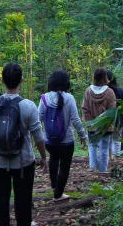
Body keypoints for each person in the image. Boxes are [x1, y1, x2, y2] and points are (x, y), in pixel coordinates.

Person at [0, 63, 47, 226]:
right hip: (23, 163)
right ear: (22, 80)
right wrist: (44, 158)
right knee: (23, 200)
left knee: (0, 201)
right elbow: (38, 136)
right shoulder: (28, 106)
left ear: (2, 80)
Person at [38, 70, 88, 201]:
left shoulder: (44, 98)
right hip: (67, 140)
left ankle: (55, 187)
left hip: (49, 140)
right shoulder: (69, 98)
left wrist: (39, 136)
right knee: (65, 167)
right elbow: (76, 120)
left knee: (53, 160)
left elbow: (39, 119)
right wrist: (83, 136)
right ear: (66, 83)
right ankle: (58, 194)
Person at [81, 67, 116, 173]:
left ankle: (93, 169)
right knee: (104, 150)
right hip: (106, 128)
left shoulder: (88, 91)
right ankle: (102, 171)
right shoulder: (110, 92)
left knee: (92, 147)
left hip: (92, 127)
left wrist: (90, 124)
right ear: (105, 78)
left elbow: (85, 109)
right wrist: (105, 124)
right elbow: (112, 111)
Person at [105, 71, 123, 156]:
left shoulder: (104, 91)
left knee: (109, 138)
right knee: (116, 138)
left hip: (107, 118)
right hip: (118, 118)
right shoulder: (119, 90)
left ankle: (111, 157)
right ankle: (116, 156)